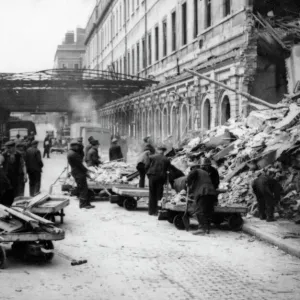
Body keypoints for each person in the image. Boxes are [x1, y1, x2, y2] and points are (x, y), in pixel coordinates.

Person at [187, 164, 217, 235]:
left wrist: (187, 183)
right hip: (211, 192)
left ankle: (201, 229)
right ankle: (207, 228)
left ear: (193, 168)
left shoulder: (195, 170)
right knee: (207, 211)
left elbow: (189, 177)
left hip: (203, 192)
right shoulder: (205, 173)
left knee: (199, 210)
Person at [67, 140, 95, 209]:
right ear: (74, 146)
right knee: (83, 189)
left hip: (76, 172)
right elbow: (80, 165)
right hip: (79, 173)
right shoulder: (74, 154)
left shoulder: (70, 152)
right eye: (77, 146)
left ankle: (86, 203)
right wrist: (87, 171)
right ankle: (83, 204)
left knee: (83, 188)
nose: (78, 147)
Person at [146, 145, 171, 215]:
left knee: (151, 193)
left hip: (152, 176)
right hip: (161, 178)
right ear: (164, 151)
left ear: (158, 150)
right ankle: (157, 211)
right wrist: (166, 181)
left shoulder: (152, 157)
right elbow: (168, 171)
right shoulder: (167, 159)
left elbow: (146, 166)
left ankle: (151, 211)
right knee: (159, 194)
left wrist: (148, 175)